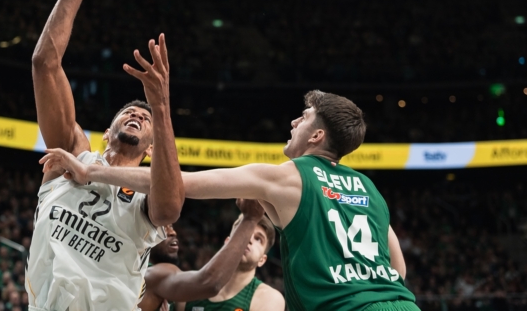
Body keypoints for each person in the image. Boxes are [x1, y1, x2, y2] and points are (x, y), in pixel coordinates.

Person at [42, 90, 419, 311]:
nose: (293, 123)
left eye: (303, 119)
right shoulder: (370, 189)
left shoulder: (287, 175)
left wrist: (91, 172)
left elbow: (179, 182)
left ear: (317, 135)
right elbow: (397, 270)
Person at [25, 0, 185, 311]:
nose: (138, 115)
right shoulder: (71, 155)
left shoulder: (151, 191)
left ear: (151, 149)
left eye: (145, 119)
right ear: (107, 130)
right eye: (129, 113)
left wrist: (160, 106)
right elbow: (45, 63)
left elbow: (169, 206)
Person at [138, 199, 283, 311]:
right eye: (242, 232)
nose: (249, 239)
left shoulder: (269, 298)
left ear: (262, 260)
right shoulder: (188, 285)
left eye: (258, 239)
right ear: (228, 242)